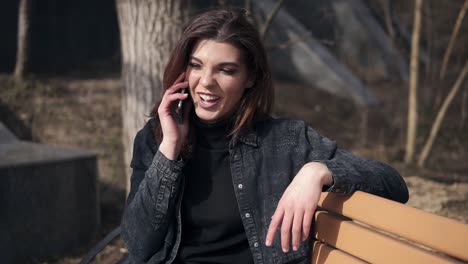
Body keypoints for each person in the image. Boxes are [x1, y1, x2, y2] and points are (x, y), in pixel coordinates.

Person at [120, 8, 409, 264]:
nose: (206, 82)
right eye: (196, 65)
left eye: (226, 70)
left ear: (250, 78)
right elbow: (138, 245)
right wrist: (170, 148)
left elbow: (392, 184)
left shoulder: (286, 141)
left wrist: (317, 170)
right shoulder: (156, 139)